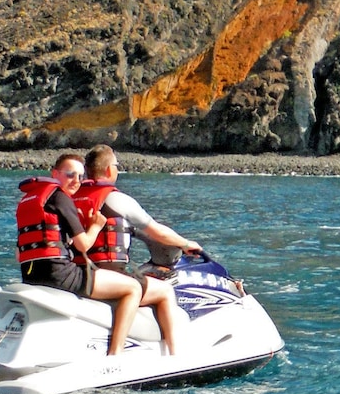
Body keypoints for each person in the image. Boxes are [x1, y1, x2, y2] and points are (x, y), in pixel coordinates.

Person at [75, 144, 203, 355]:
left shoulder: (73, 197)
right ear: (108, 170)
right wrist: (187, 244)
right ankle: (174, 354)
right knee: (164, 291)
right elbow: (157, 232)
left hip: (81, 272)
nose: (117, 169)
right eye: (116, 165)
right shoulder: (116, 198)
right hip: (110, 272)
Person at [15, 153, 143, 355]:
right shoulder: (61, 198)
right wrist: (96, 226)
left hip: (31, 276)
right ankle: (116, 353)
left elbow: (18, 254)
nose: (76, 181)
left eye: (80, 176)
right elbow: (83, 244)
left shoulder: (31, 200)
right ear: (55, 173)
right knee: (133, 288)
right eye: (70, 174)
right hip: (60, 277)